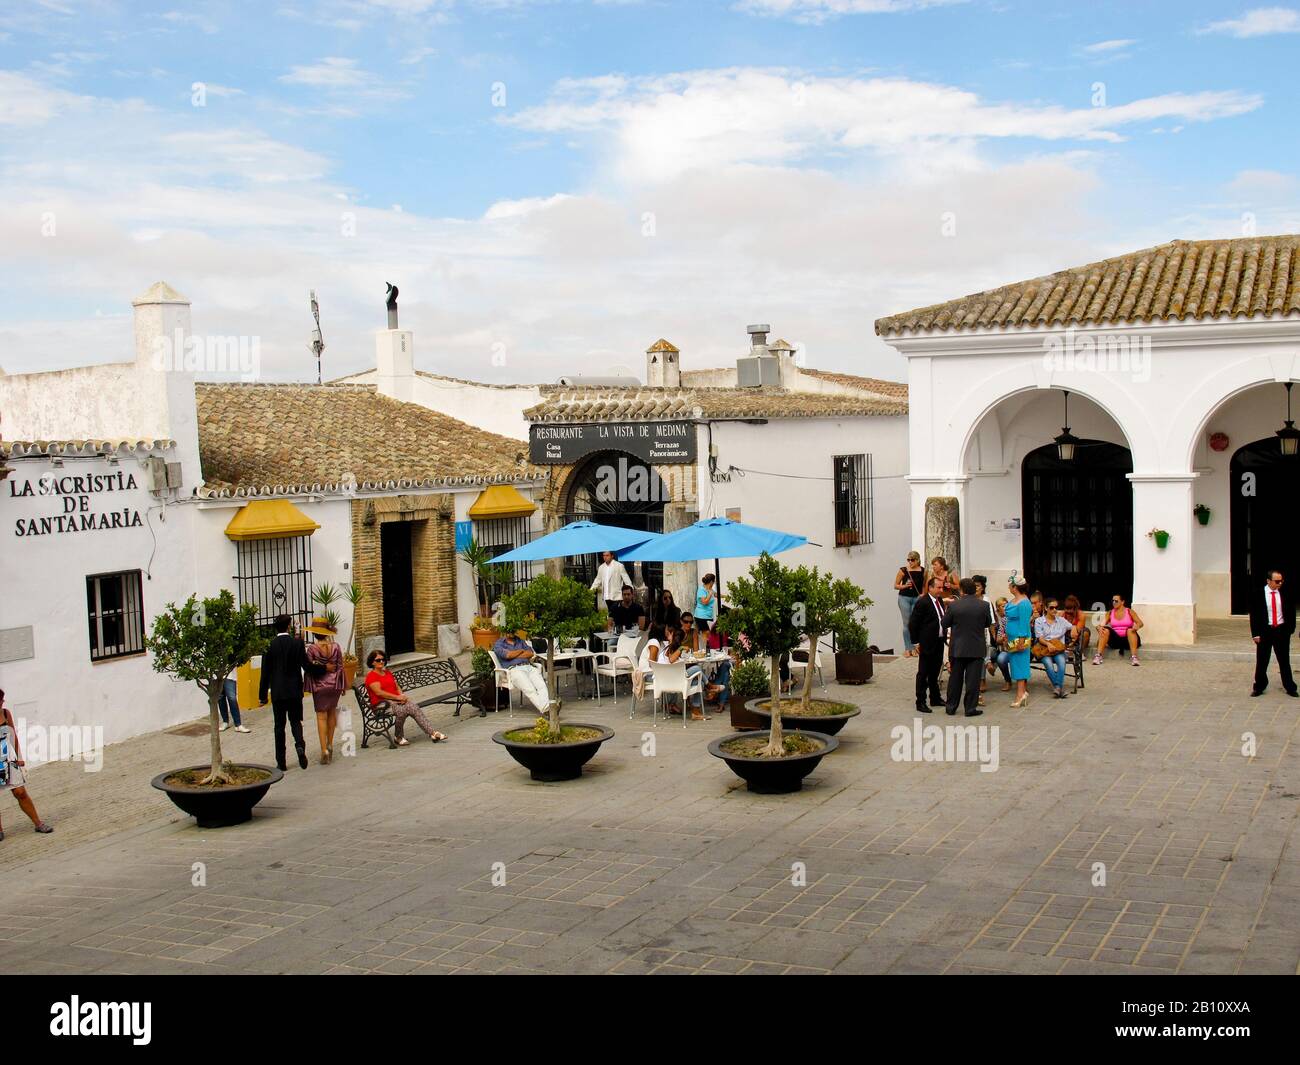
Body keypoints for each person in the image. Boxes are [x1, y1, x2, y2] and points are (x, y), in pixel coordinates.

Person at [259, 614, 328, 771]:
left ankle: (281, 762)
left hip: (277, 692)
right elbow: (307, 666)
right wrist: (324, 668)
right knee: (296, 721)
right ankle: (299, 745)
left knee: (279, 726)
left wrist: (262, 696)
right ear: (289, 626)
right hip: (294, 691)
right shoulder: (296, 644)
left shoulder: (269, 646)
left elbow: (265, 673)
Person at [0, 689, 54, 842]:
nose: (2, 702)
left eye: (2, 700)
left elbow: (12, 734)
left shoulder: (5, 713)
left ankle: (38, 823)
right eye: (0, 700)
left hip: (8, 757)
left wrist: (19, 757)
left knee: (20, 792)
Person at [364, 649, 448, 743]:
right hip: (381, 705)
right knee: (402, 711)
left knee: (413, 707)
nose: (381, 661)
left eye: (383, 659)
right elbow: (379, 693)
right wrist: (397, 698)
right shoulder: (371, 676)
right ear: (372, 662)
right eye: (378, 660)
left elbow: (396, 686)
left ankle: (432, 733)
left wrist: (402, 695)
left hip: (395, 701)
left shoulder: (387, 673)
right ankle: (398, 737)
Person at [941, 578, 991, 717]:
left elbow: (944, 623)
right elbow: (987, 623)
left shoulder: (954, 606)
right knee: (973, 680)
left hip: (958, 647)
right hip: (976, 647)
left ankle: (951, 707)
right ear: (974, 590)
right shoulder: (984, 605)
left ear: (961, 590)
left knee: (955, 679)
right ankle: (970, 708)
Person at [1249, 570, 1297, 698]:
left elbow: (1291, 611)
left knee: (1284, 661)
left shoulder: (1285, 593)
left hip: (1281, 631)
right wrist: (1256, 634)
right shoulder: (1259, 594)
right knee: (1262, 661)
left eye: (1281, 581)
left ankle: (1290, 686)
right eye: (1277, 581)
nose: (1280, 583)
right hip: (1265, 631)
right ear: (1268, 581)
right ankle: (1259, 686)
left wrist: (1290, 629)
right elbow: (1254, 615)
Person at [304, 616, 345, 764]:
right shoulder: (336, 646)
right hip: (334, 684)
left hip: (320, 685)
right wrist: (343, 685)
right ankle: (330, 742)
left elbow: (309, 669)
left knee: (321, 716)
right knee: (332, 713)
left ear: (314, 634)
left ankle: (324, 750)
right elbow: (341, 666)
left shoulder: (312, 649)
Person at [908, 576, 947, 713]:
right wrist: (916, 642)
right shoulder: (923, 602)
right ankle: (920, 701)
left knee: (935, 671)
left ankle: (935, 697)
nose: (941, 590)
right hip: (927, 642)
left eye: (942, 587)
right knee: (923, 672)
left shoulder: (939, 600)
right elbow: (913, 623)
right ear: (930, 588)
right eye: (938, 587)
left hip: (939, 641)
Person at [492, 631, 554, 714]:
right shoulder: (499, 644)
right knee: (530, 689)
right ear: (504, 631)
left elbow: (530, 653)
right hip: (514, 669)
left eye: (512, 630)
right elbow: (507, 655)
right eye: (508, 630)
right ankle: (548, 709)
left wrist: (514, 654)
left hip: (528, 667)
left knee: (541, 686)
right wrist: (521, 651)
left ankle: (547, 709)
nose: (511, 632)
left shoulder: (520, 641)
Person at [1034, 598, 1078, 699]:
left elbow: (1072, 626)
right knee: (1048, 664)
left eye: (1056, 607)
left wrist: (1074, 628)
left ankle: (1057, 688)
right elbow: (1040, 638)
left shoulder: (1061, 621)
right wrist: (1048, 644)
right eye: (1051, 607)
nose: (1054, 610)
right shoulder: (1039, 621)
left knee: (1062, 663)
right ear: (1046, 608)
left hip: (1058, 649)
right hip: (1045, 648)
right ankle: (1059, 688)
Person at [1004, 575, 1033, 708]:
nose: (1009, 587)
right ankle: (1021, 692)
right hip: (1011, 637)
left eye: (1010, 585)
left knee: (1020, 664)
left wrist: (1021, 641)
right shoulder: (1013, 600)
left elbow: (1023, 623)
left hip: (1020, 639)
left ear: (1015, 587)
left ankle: (1020, 693)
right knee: (1014, 664)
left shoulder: (1024, 603)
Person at [1093, 594, 1143, 666]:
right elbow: (1102, 624)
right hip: (1116, 640)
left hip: (1129, 639)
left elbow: (1140, 623)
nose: (1114, 602)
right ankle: (1098, 656)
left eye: (1116, 601)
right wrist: (1099, 627)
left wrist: (1137, 626)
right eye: (1112, 601)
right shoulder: (1110, 613)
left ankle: (1134, 657)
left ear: (1122, 602)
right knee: (1105, 630)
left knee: (1130, 630)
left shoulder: (1129, 611)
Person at [895, 551, 926, 658]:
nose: (910, 562)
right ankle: (908, 648)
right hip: (904, 597)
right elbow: (895, 585)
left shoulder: (923, 571)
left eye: (912, 560)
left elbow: (924, 585)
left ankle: (915, 647)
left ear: (917, 560)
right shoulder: (903, 570)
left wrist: (923, 594)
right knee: (907, 623)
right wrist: (905, 586)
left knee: (915, 622)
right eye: (908, 560)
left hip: (916, 598)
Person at [591, 551, 632, 615]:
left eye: (607, 555)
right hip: (607, 596)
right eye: (604, 555)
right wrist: (591, 590)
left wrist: (630, 591)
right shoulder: (601, 567)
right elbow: (597, 580)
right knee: (611, 614)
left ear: (612, 556)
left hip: (617, 596)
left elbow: (626, 580)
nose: (605, 557)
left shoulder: (619, 566)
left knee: (617, 614)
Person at [217, 667, 251, 734]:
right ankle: (225, 722)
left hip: (229, 676)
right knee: (220, 699)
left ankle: (238, 724)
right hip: (216, 676)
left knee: (232, 698)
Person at [991, 597, 1013, 690]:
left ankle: (1023, 684)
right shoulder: (1003, 621)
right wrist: (1003, 638)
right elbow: (998, 639)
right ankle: (1008, 681)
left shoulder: (1015, 618)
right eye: (1003, 606)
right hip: (1007, 648)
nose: (1006, 608)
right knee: (1001, 659)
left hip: (1019, 646)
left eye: (1007, 605)